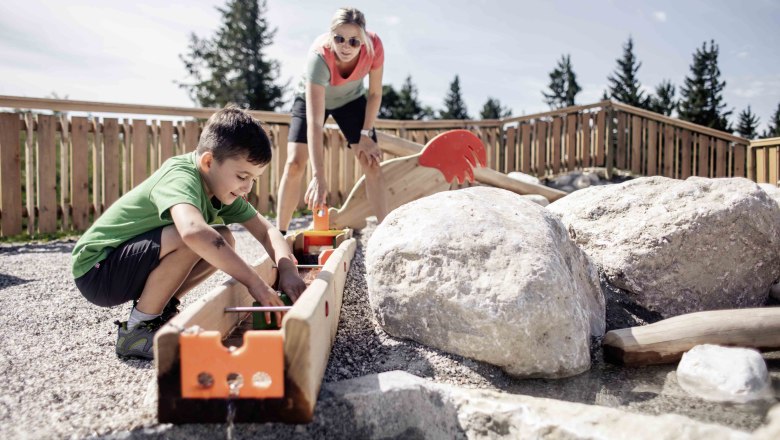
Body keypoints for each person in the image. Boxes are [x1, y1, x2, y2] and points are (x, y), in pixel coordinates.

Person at [71, 106, 306, 360]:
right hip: (97, 270)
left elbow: (267, 230)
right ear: (208, 162)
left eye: (254, 179)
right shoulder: (181, 176)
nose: (247, 187)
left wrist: (287, 270)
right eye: (242, 176)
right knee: (194, 237)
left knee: (223, 237)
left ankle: (159, 313)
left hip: (122, 269)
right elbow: (192, 232)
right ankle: (137, 330)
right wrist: (255, 284)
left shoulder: (221, 187)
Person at [276, 7, 387, 234]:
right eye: (340, 39)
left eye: (354, 41)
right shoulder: (318, 58)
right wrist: (319, 176)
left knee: (371, 161)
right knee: (295, 162)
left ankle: (385, 232)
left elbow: (375, 94)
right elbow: (316, 124)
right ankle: (279, 234)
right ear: (331, 36)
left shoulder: (374, 48)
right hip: (313, 98)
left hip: (351, 99)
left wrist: (365, 134)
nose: (346, 47)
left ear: (363, 40)